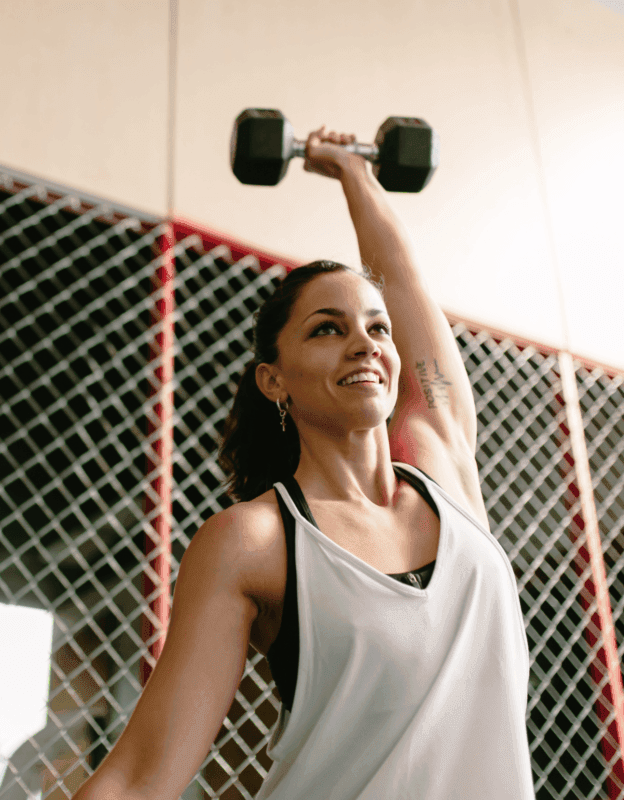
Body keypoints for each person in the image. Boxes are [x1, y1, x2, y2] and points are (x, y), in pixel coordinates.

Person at [70, 126, 535, 800]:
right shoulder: (252, 541)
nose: (362, 344)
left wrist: (352, 172)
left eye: (376, 329)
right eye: (326, 328)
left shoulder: (443, 462)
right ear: (273, 380)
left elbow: (402, 281)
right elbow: (141, 776)